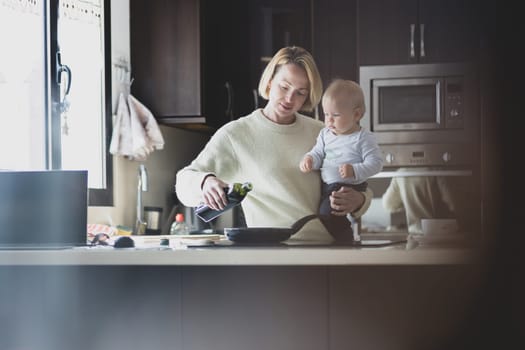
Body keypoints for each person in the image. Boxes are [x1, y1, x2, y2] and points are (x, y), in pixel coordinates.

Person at [175, 46, 372, 242]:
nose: (290, 99)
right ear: (269, 82)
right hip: (271, 254)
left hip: (327, 250)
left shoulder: (322, 133)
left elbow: (359, 183)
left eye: (300, 93)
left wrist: (359, 200)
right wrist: (205, 182)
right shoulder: (236, 135)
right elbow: (184, 183)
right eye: (284, 87)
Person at [299, 79, 383, 240]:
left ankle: (346, 238)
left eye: (336, 115)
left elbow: (376, 164)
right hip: (327, 186)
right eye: (326, 114)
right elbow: (318, 153)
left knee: (327, 214)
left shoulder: (363, 138)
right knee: (327, 212)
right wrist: (310, 159)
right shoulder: (325, 134)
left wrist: (354, 170)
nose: (329, 120)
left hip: (349, 185)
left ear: (356, 114)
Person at [382, 170, 457, 234]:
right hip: (439, 232)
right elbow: (452, 203)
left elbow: (388, 205)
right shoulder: (436, 169)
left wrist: (406, 202)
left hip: (414, 233)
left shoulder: (401, 173)